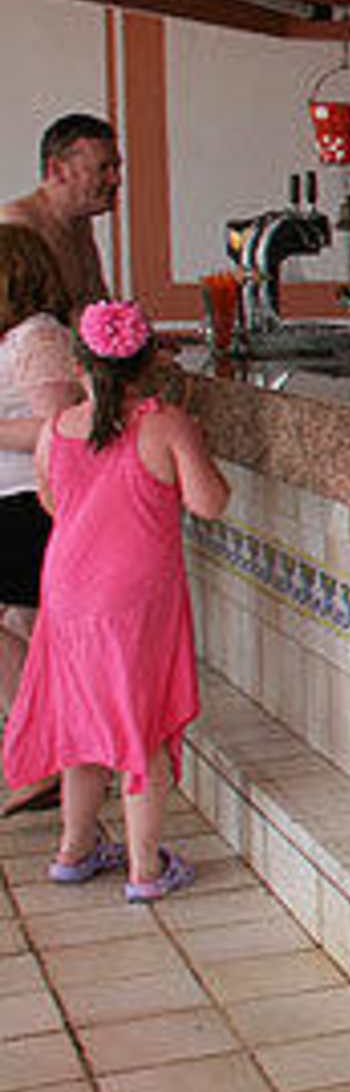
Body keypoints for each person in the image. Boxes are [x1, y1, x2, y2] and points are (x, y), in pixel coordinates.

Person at [2, 300, 228, 901]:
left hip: (68, 590)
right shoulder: (166, 424)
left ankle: (73, 850)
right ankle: (145, 868)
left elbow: (51, 502)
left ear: (78, 365)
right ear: (151, 362)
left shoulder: (56, 430)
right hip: (137, 598)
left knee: (81, 719)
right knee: (139, 724)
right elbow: (208, 503)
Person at [0, 230, 82, 812]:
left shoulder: (39, 336)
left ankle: (47, 744)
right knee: (27, 628)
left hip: (29, 502)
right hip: (12, 499)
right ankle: (46, 753)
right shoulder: (17, 337)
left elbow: (59, 428)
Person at [1, 114, 121, 310]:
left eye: (116, 167)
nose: (116, 179)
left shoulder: (81, 223)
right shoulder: (16, 226)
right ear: (58, 170)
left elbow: (97, 305)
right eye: (103, 168)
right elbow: (14, 318)